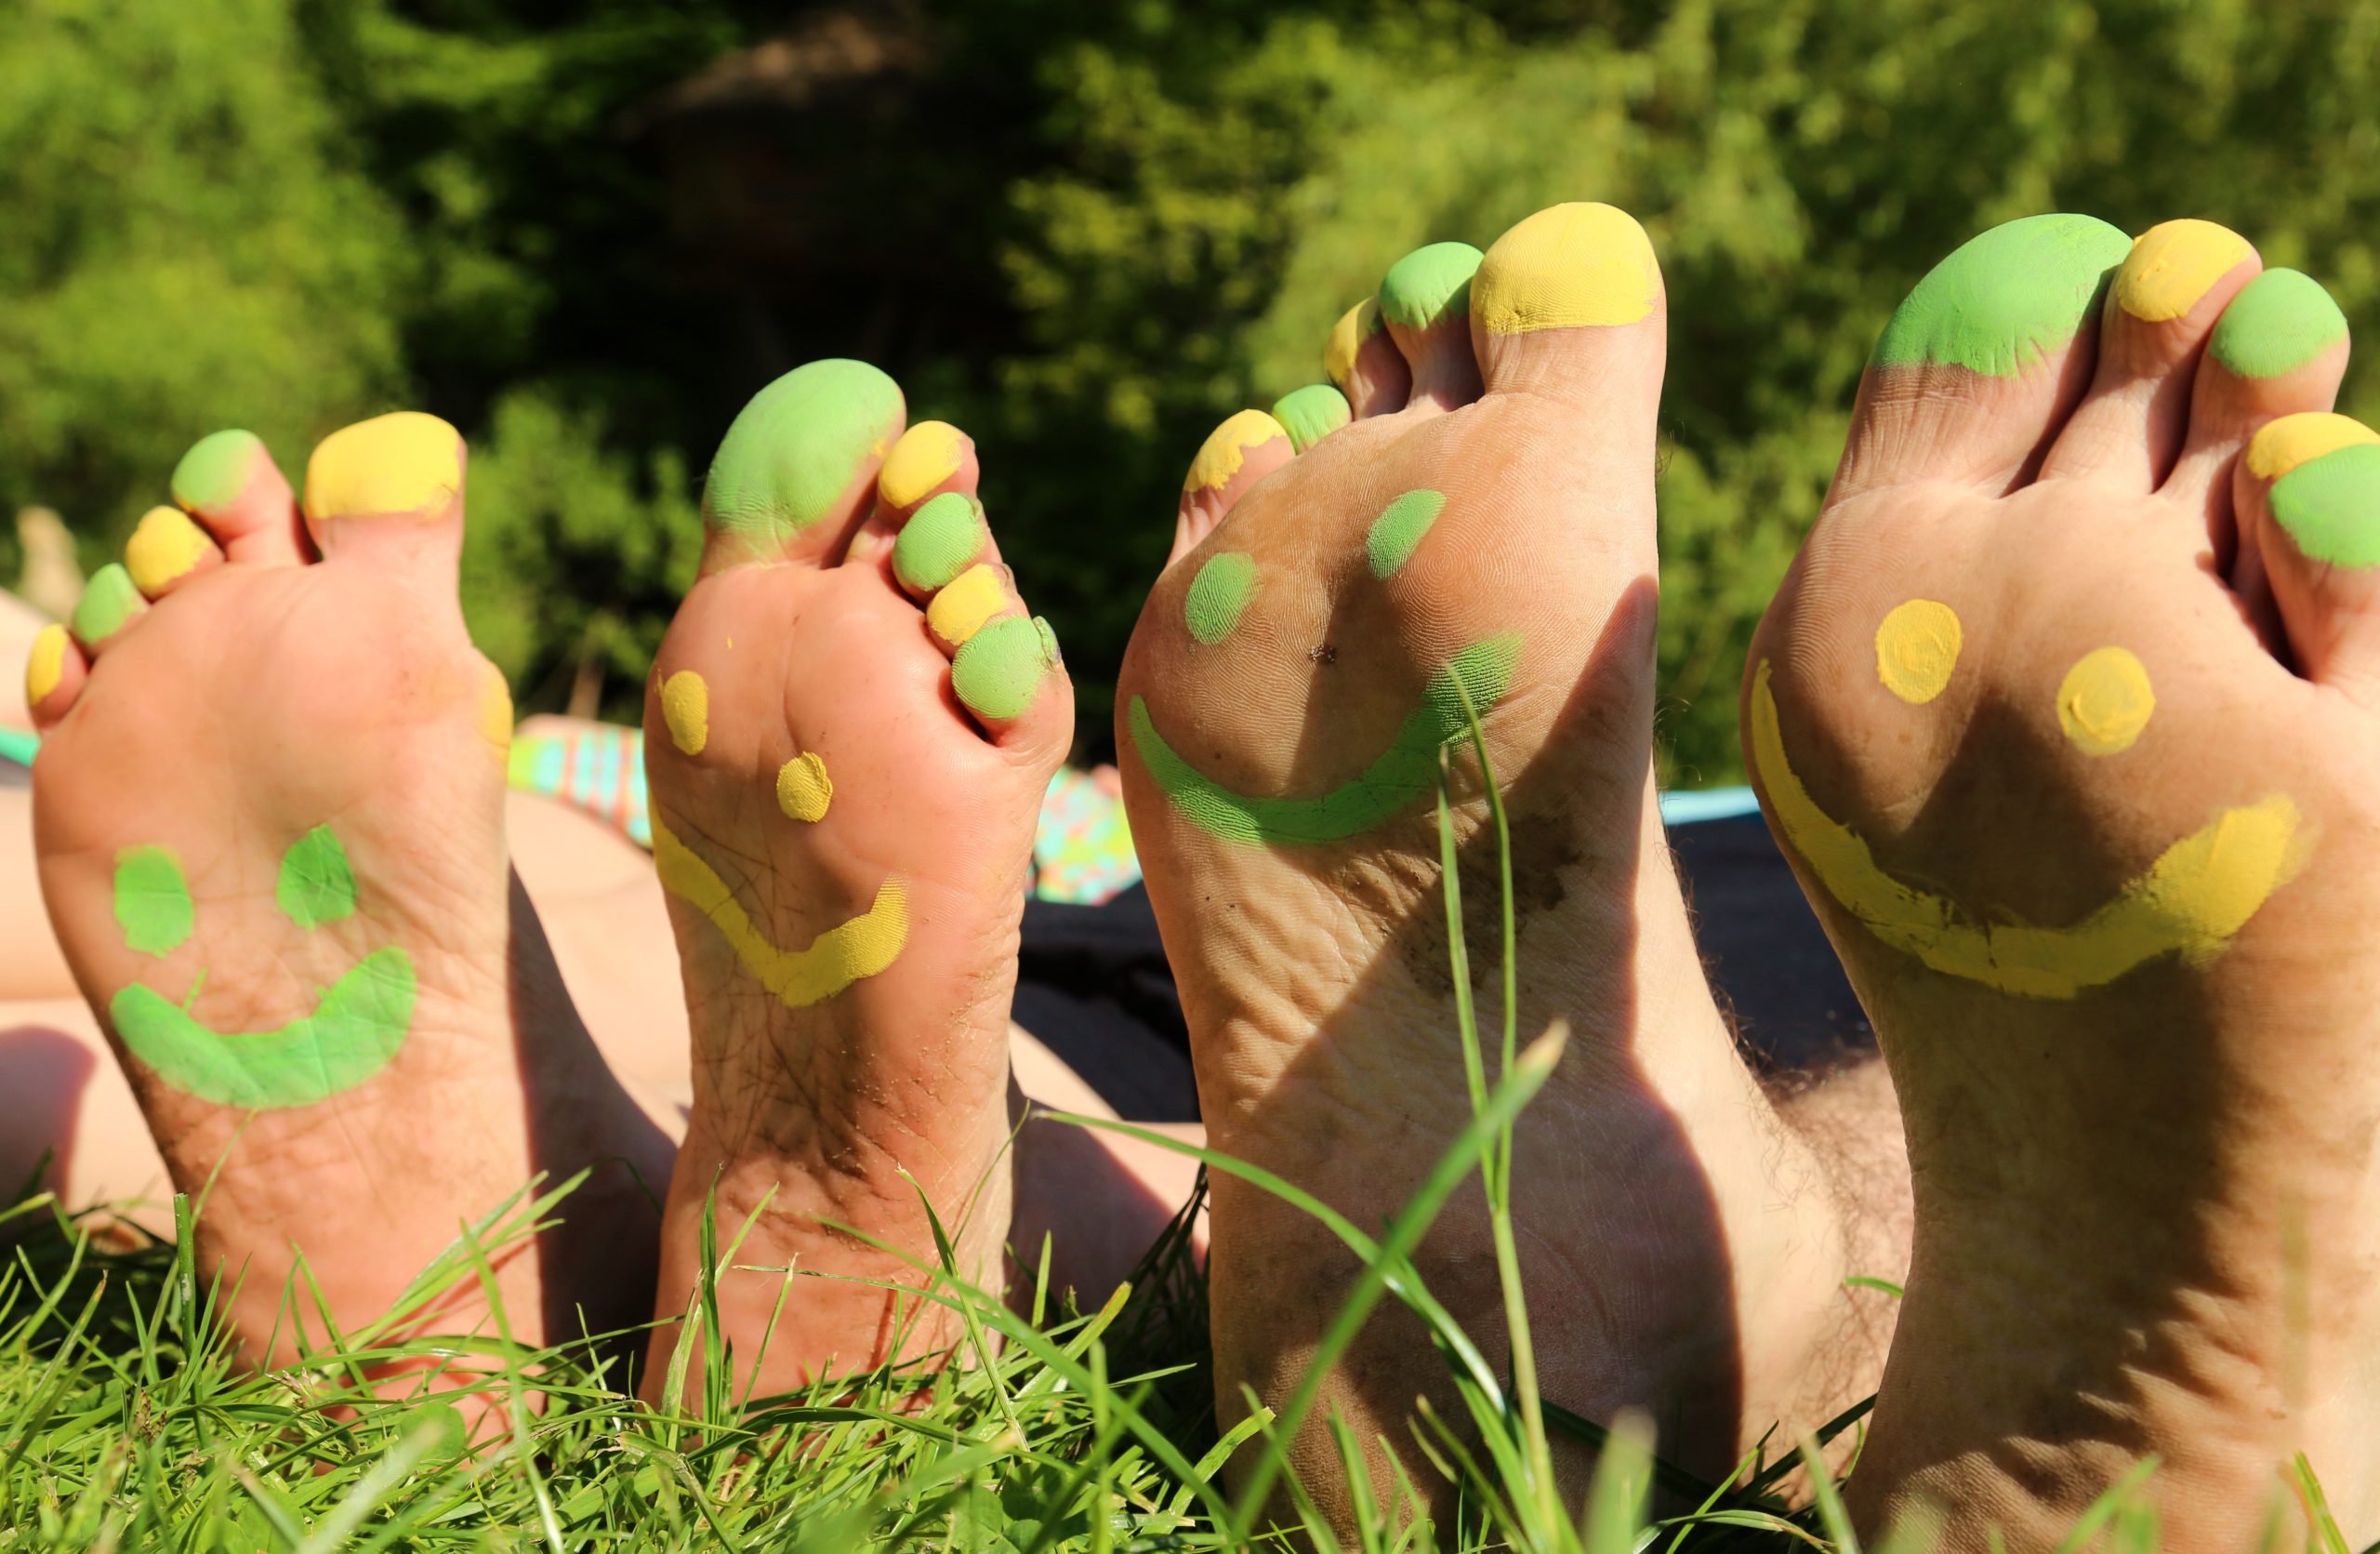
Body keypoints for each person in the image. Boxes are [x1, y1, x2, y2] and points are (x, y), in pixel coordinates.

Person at [23, 198, 2380, 1549]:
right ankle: (1689, 1290)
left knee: (806, 991)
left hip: (1407, 948)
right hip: (1536, 941)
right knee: (982, 1040)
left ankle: (623, 1250)